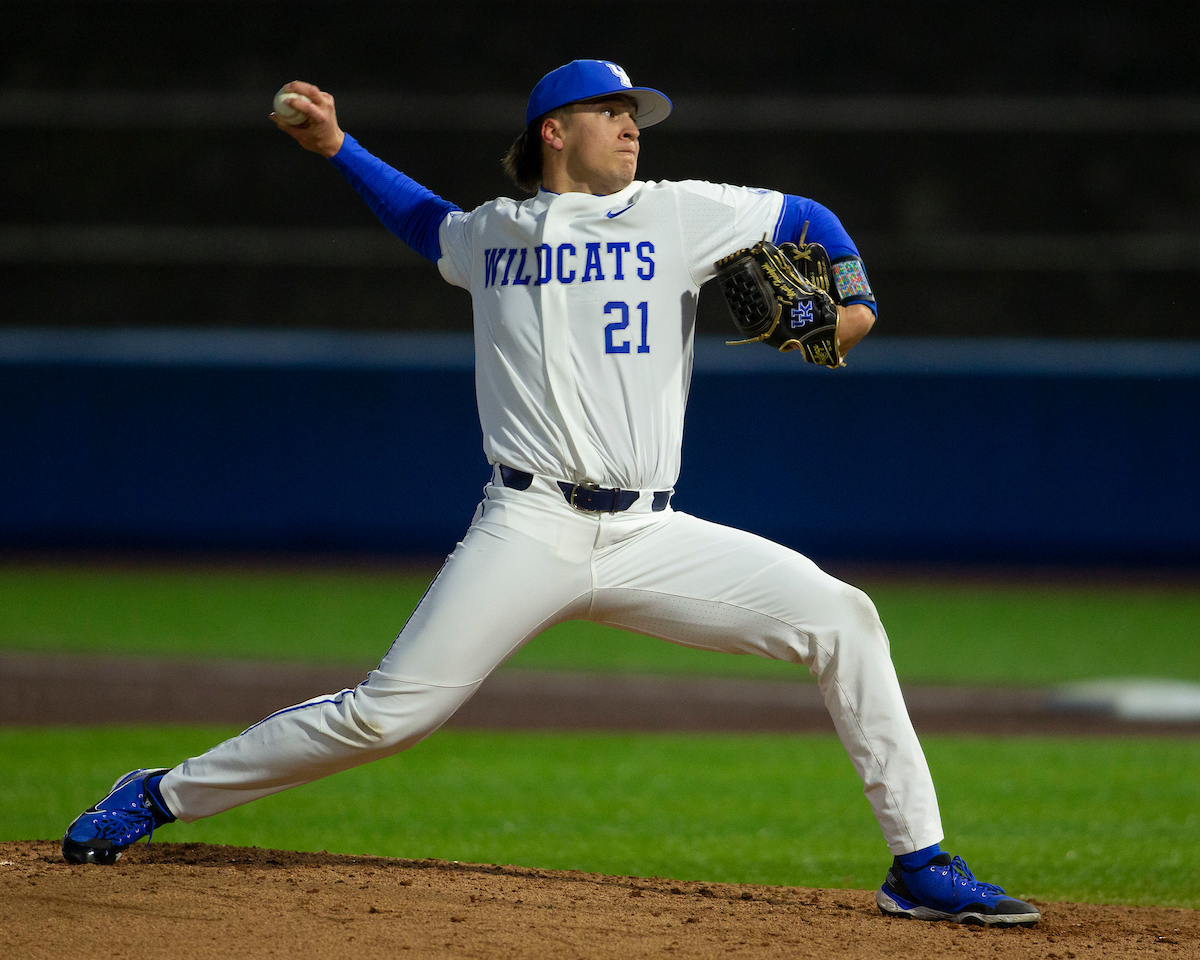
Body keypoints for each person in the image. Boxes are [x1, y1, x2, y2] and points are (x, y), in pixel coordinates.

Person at [63, 60, 1038, 927]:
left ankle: (918, 865)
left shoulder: (678, 212)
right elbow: (423, 221)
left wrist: (855, 300)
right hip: (527, 526)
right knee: (385, 719)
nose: (631, 127)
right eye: (611, 111)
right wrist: (338, 148)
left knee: (844, 618)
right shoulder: (493, 232)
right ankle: (160, 793)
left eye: (636, 114)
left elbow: (807, 218)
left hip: (650, 534)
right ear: (553, 132)